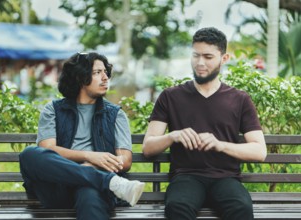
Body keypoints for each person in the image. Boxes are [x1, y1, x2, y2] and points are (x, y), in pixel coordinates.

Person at [142, 27, 267, 220]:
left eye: (208, 57)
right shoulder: (170, 96)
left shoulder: (239, 99)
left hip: (226, 178)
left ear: (223, 59)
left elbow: (259, 152)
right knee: (177, 207)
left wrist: (220, 145)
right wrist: (172, 135)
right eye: (196, 55)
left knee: (241, 208)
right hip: (186, 177)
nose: (200, 63)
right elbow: (148, 147)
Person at [19, 52, 145, 220]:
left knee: (89, 192)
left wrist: (92, 167)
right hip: (58, 187)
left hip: (93, 189)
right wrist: (89, 156)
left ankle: (101, 181)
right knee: (29, 154)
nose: (105, 77)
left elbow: (125, 160)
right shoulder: (53, 110)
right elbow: (48, 149)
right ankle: (108, 181)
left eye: (105, 72)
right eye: (97, 72)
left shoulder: (115, 115)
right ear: (79, 77)